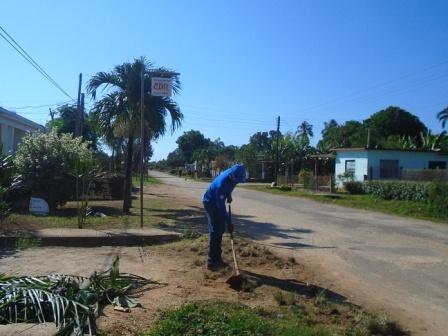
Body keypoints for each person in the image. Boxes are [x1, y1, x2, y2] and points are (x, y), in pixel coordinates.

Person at [203, 164, 246, 270]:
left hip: (217, 200)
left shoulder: (232, 174)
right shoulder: (221, 185)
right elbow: (221, 208)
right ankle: (212, 262)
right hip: (211, 203)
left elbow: (231, 185)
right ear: (231, 176)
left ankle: (217, 259)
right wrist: (228, 223)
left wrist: (229, 195)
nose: (236, 183)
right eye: (236, 181)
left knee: (220, 229)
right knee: (216, 230)